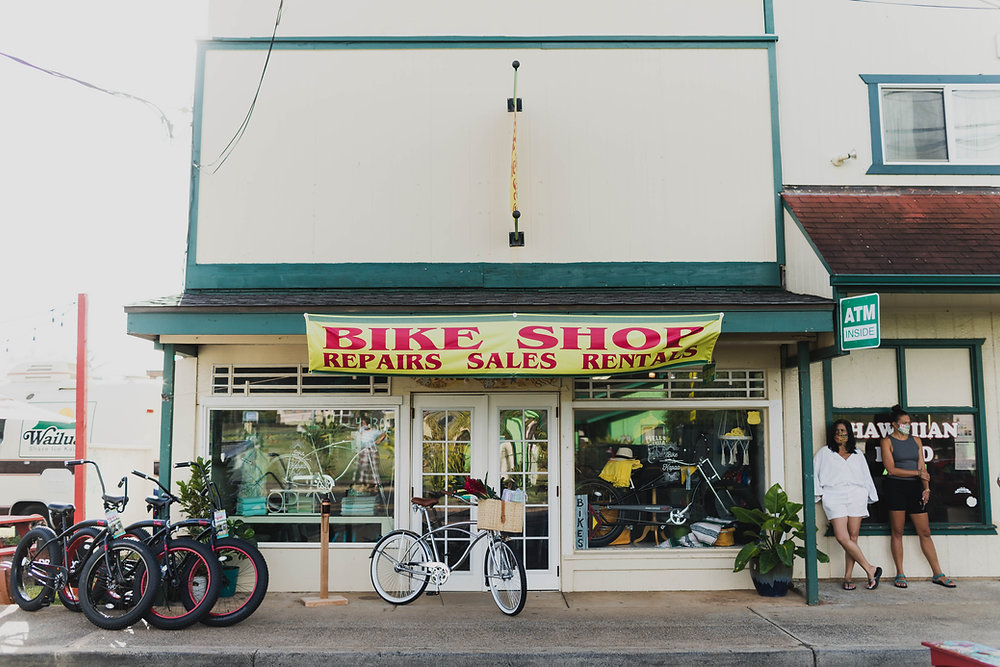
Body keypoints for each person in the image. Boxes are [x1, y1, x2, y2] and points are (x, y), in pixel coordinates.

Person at [880, 405, 956, 588]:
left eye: (909, 422)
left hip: (915, 487)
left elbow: (922, 466)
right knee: (897, 531)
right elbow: (891, 469)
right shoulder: (887, 441)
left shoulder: (916, 440)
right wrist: (917, 473)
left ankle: (938, 573)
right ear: (895, 424)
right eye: (904, 423)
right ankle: (900, 573)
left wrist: (926, 488)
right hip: (895, 487)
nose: (908, 425)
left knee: (925, 531)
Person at [814, 419, 882, 590]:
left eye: (843, 431)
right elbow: (814, 474)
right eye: (837, 431)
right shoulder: (824, 453)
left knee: (852, 538)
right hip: (833, 496)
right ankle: (870, 569)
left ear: (849, 433)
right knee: (842, 537)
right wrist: (820, 494)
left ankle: (848, 577)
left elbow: (866, 476)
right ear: (832, 434)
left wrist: (869, 495)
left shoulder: (857, 454)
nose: (840, 434)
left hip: (856, 496)